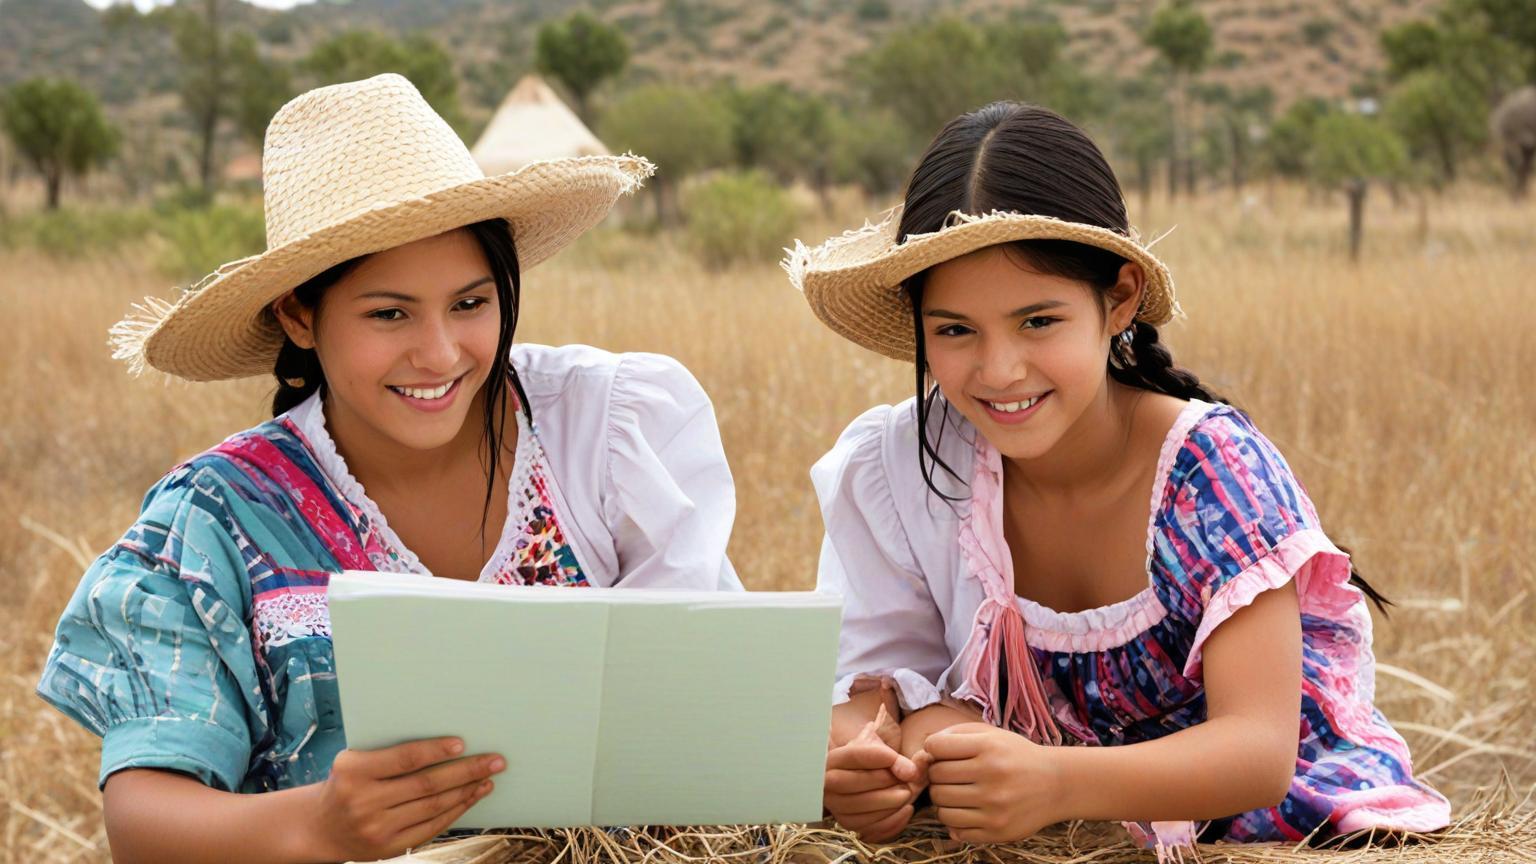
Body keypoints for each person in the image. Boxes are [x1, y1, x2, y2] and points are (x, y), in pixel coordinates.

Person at [36, 74, 740, 864]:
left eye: (471, 304)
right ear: (298, 315)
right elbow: (141, 821)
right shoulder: (217, 520)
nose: (439, 355)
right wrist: (317, 826)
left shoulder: (605, 426)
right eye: (388, 313)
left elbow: (707, 697)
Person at [786, 101, 1449, 856]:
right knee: (935, 723)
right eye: (954, 330)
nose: (999, 370)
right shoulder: (900, 467)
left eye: (1039, 322)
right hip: (1041, 803)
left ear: (1120, 299)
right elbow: (869, 687)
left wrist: (1058, 783)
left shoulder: (1210, 472)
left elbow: (1258, 754)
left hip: (1253, 823)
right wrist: (857, 767)